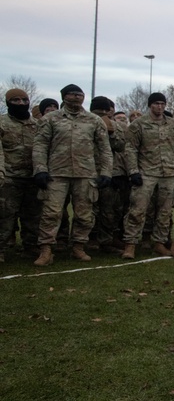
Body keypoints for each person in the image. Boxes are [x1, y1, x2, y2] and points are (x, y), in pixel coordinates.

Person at [31, 84, 112, 266]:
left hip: (85, 174)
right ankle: (46, 249)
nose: (76, 98)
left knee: (84, 214)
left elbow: (105, 149)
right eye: (72, 94)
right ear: (64, 97)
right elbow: (40, 145)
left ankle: (78, 246)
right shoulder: (50, 119)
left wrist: (106, 172)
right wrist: (40, 169)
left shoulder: (94, 120)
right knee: (51, 213)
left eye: (79, 95)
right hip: (56, 173)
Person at [121, 92, 174, 259]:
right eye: (156, 104)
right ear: (150, 105)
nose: (160, 107)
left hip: (168, 173)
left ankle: (159, 243)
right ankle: (130, 244)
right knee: (138, 210)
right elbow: (130, 149)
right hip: (146, 172)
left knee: (165, 212)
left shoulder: (173, 124)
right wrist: (133, 171)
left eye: (162, 104)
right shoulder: (138, 124)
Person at [0, 88, 41, 262]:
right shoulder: (2, 123)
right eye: (15, 100)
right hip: (9, 177)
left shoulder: (36, 125)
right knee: (5, 215)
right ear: (8, 102)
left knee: (32, 215)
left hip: (33, 177)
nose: (21, 104)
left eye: (24, 100)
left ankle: (30, 247)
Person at [89, 96, 128, 254]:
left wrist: (111, 134)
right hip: (86, 171)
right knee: (87, 209)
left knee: (109, 210)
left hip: (108, 173)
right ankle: (87, 240)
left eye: (106, 110)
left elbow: (120, 147)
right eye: (99, 110)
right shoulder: (84, 122)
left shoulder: (116, 126)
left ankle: (106, 240)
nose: (104, 113)